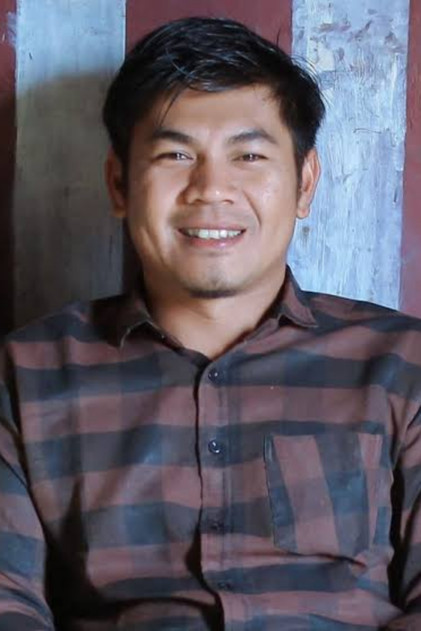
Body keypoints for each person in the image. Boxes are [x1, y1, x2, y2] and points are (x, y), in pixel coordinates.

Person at [0, 15, 420, 631]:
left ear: (305, 184)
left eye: (248, 155)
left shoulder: (401, 365)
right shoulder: (26, 373)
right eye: (175, 155)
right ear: (119, 184)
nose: (210, 189)